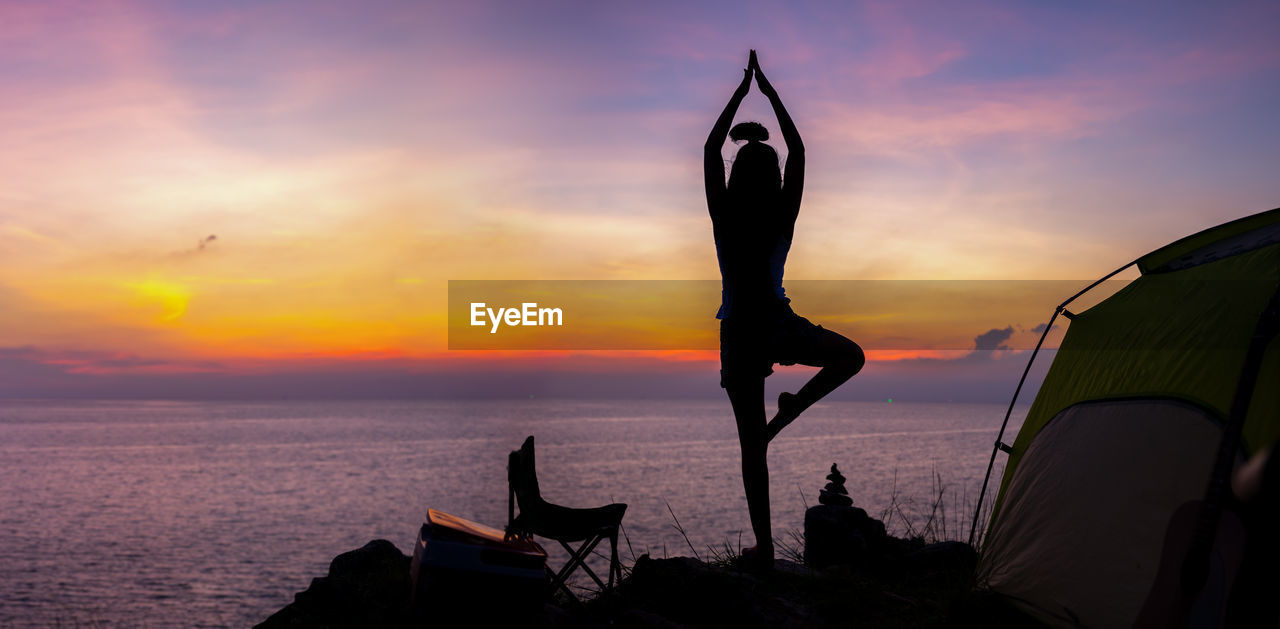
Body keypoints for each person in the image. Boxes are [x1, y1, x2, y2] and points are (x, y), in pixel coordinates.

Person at [705, 50, 865, 567]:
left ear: (736, 174)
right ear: (773, 174)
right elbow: (797, 149)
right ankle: (794, 408)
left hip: (740, 333)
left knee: (752, 449)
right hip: (776, 324)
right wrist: (769, 92)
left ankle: (766, 548)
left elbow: (710, 148)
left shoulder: (724, 215)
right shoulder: (781, 213)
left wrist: (740, 91)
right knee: (850, 357)